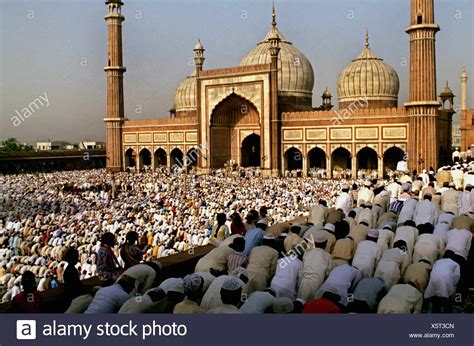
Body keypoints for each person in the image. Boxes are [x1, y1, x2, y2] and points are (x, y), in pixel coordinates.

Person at [297, 232, 332, 302]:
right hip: (317, 284)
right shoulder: (327, 256)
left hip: (303, 283)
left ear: (314, 243)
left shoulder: (306, 253)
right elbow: (328, 274)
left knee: (300, 304)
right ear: (325, 243)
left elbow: (302, 270)